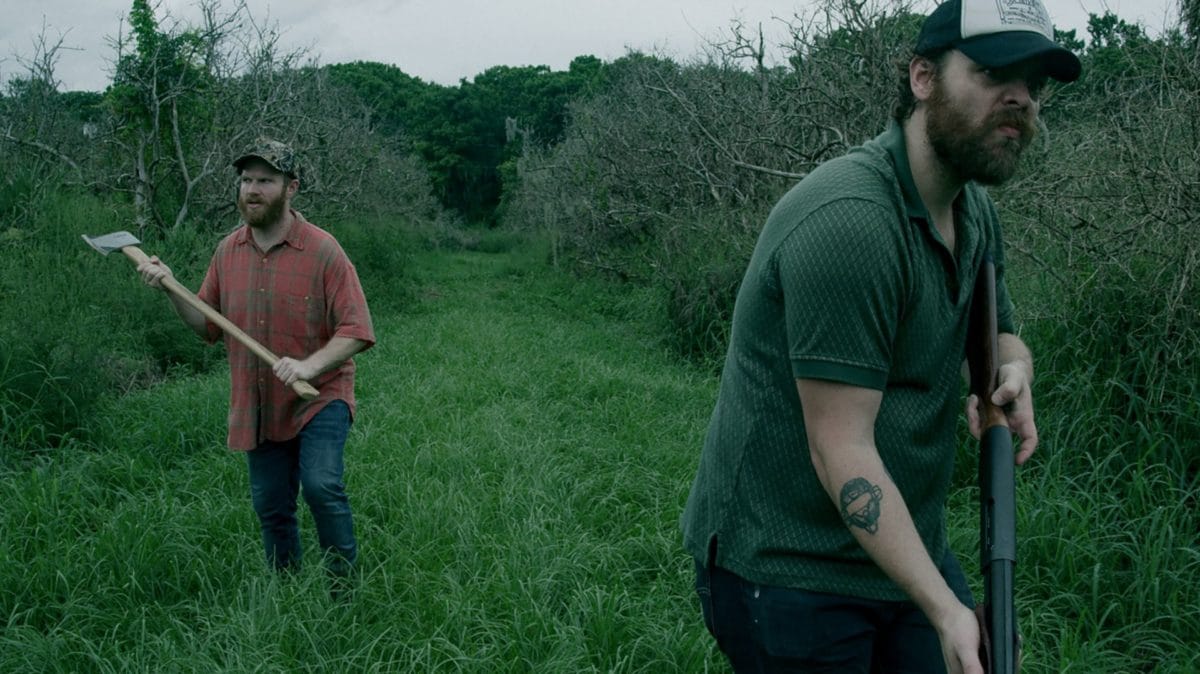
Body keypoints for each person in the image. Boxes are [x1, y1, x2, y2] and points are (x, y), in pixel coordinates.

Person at [680, 0, 1080, 671]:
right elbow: (840, 446)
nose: (1020, 99)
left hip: (901, 547)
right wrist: (948, 610)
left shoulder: (973, 209)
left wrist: (1015, 372)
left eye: (1033, 86)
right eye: (993, 73)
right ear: (923, 78)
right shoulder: (852, 222)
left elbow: (999, 332)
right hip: (789, 568)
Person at [138, 138, 376, 592]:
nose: (252, 189)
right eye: (246, 179)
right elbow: (206, 326)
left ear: (291, 188)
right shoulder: (227, 251)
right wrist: (171, 288)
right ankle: (286, 592)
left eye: (265, 180)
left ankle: (344, 593)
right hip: (259, 401)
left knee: (321, 487)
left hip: (318, 396)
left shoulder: (324, 250)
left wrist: (308, 367)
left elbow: (357, 330)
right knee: (271, 505)